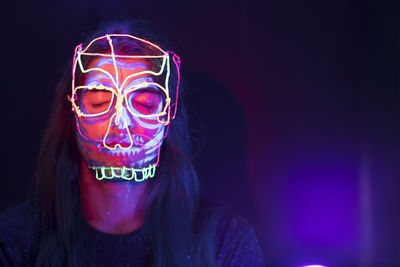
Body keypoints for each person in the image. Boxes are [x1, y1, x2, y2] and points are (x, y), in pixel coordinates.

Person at [0, 20, 264, 266]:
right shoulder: (16, 240)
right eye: (100, 102)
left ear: (168, 117)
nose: (122, 121)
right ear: (73, 112)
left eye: (144, 104)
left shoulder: (225, 242)